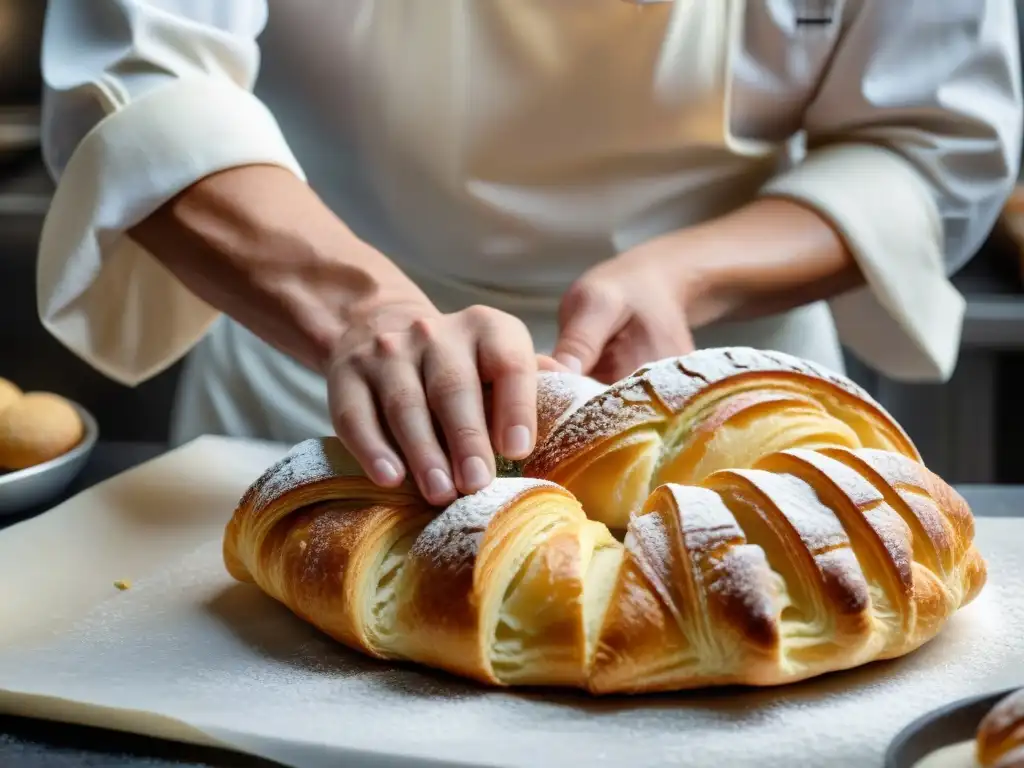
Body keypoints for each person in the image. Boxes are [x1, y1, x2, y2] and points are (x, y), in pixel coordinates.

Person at [38, 1, 1021, 507]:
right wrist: (366, 313)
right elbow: (137, 78)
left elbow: (935, 141)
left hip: (729, 413)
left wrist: (685, 272)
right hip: (323, 403)